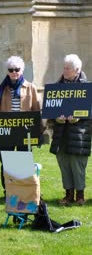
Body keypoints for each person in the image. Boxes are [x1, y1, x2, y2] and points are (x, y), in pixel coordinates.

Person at [0, 56, 41, 195]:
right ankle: (8, 191)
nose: (14, 72)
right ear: (7, 71)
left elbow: (36, 110)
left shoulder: (30, 87)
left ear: (22, 70)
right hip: (6, 129)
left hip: (24, 130)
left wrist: (39, 131)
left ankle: (22, 191)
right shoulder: (2, 89)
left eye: (17, 69)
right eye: (11, 70)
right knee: (6, 162)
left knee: (23, 161)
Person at [49, 54, 90, 206]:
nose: (64, 71)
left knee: (77, 164)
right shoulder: (56, 87)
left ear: (77, 70)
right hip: (61, 133)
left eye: (68, 68)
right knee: (64, 163)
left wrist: (79, 118)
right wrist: (55, 118)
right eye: (64, 68)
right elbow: (51, 109)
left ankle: (80, 195)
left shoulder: (86, 88)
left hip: (79, 134)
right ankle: (68, 194)